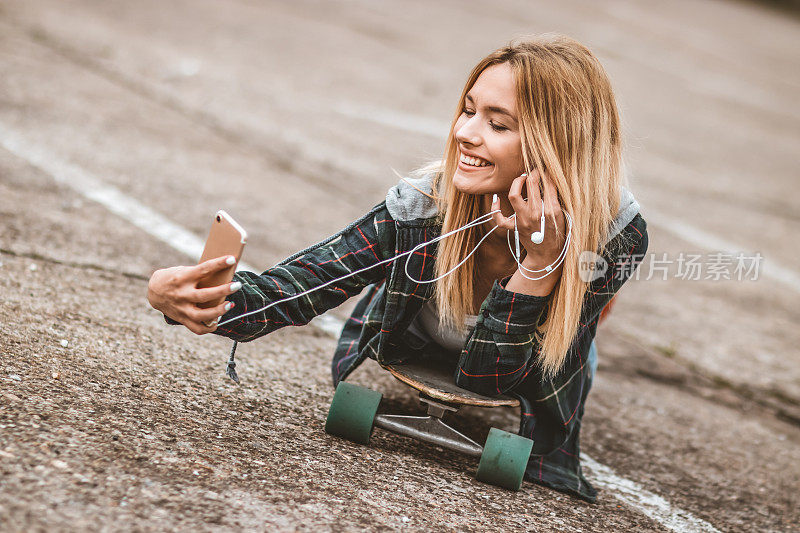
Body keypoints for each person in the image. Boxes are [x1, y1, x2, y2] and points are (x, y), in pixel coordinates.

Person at [147, 33, 648, 502]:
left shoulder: (614, 235)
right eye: (468, 111)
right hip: (419, 336)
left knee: (576, 349)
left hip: (530, 362)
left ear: (558, 144)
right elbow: (300, 287)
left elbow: (490, 380)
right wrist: (180, 298)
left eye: (497, 125)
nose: (463, 134)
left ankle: (582, 331)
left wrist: (539, 266)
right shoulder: (422, 206)